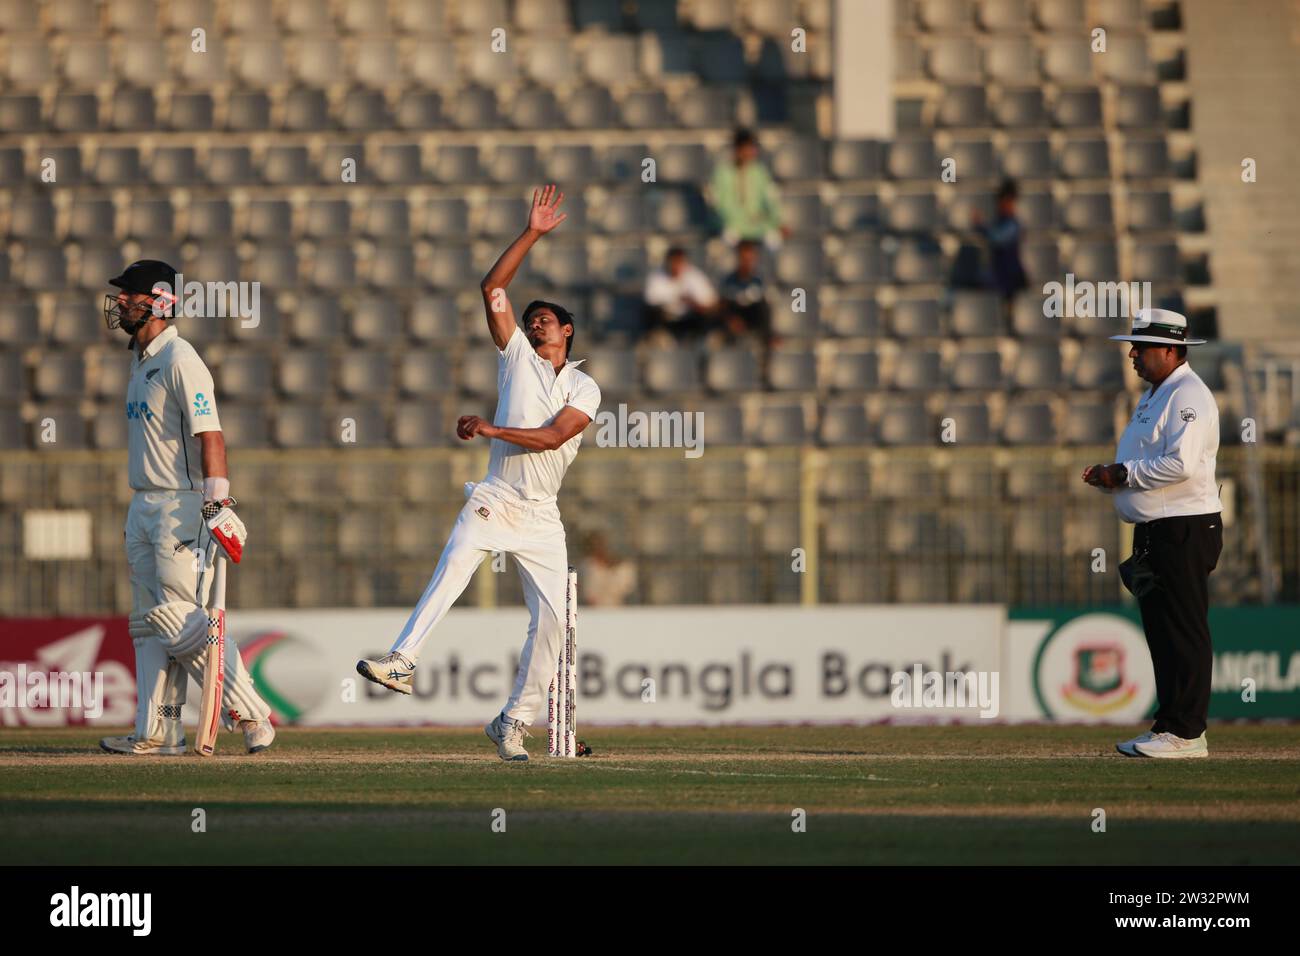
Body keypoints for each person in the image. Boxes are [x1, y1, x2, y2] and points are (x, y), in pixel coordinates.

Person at [356, 186, 601, 763]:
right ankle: (402, 659)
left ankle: (512, 723)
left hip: (542, 517)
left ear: (567, 333)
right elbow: (493, 288)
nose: (537, 323)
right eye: (533, 319)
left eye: (548, 320)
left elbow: (551, 437)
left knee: (553, 629)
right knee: (458, 558)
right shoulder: (514, 354)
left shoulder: (584, 387)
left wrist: (491, 431)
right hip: (497, 496)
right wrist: (533, 233)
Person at [98, 259, 275, 756]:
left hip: (180, 506)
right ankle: (157, 730)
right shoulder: (140, 360)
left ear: (158, 301)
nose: (121, 304)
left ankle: (253, 714)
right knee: (147, 620)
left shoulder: (181, 359)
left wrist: (217, 504)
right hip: (142, 505)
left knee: (179, 618)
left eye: (130, 296)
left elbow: (211, 434)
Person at [1082, 309, 1222, 759]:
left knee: (1183, 630)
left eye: (1140, 348)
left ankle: (1186, 732)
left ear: (1169, 350)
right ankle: (1169, 725)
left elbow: (1179, 464)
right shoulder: (1158, 394)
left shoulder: (1188, 395)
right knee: (1162, 631)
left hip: (1183, 528)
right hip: (1156, 530)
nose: (1132, 355)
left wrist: (1121, 473)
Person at [708, 128, 785, 249]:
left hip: (758, 224)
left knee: (774, 242)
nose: (750, 152)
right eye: (747, 148)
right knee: (729, 237)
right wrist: (745, 219)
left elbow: (771, 200)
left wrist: (775, 221)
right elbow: (722, 206)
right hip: (733, 225)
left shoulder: (760, 172)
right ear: (737, 149)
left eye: (752, 148)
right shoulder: (722, 173)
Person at [642, 246, 719, 341]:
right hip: (666, 319)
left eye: (679, 262)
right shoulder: (656, 277)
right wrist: (675, 301)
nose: (675, 266)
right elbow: (651, 301)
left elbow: (709, 301)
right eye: (673, 262)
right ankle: (660, 339)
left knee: (709, 315)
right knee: (650, 314)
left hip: (690, 318)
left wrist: (692, 303)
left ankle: (700, 341)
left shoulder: (695, 276)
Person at [971, 179, 1028, 302]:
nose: (1005, 205)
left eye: (1009, 201)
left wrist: (981, 227)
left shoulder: (1012, 225)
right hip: (1000, 278)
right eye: (1002, 201)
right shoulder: (999, 222)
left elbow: (998, 238)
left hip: (1011, 279)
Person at [717, 239, 772, 342]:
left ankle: (766, 343)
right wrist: (731, 319)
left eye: (749, 259)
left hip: (755, 318)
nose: (747, 263)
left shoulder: (761, 280)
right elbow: (723, 304)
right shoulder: (729, 280)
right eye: (743, 259)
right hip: (734, 319)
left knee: (763, 306)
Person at [579, 531, 637, 607]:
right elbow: (588, 593)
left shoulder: (624, 568)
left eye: (601, 544)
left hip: (619, 611)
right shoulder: (586, 567)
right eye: (594, 546)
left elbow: (626, 588)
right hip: (593, 613)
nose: (599, 548)